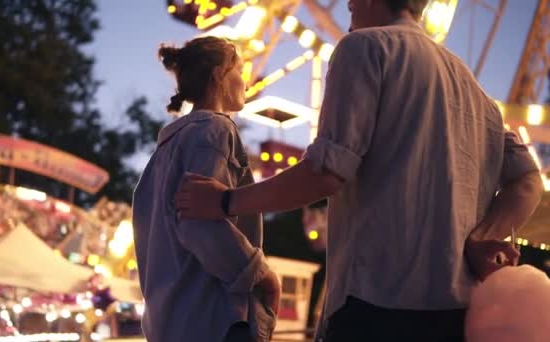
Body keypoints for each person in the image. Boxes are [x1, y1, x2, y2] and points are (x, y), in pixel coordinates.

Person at [174, 1, 543, 341]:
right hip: (458, 313)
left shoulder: (364, 48)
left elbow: (326, 172)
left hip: (376, 304)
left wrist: (226, 200)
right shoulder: (476, 92)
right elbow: (527, 180)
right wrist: (480, 238)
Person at [132, 36, 279, 342]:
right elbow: (200, 222)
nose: (245, 80)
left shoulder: (163, 152)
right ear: (218, 74)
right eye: (238, 70)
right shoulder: (216, 130)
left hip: (168, 322)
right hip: (214, 319)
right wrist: (260, 274)